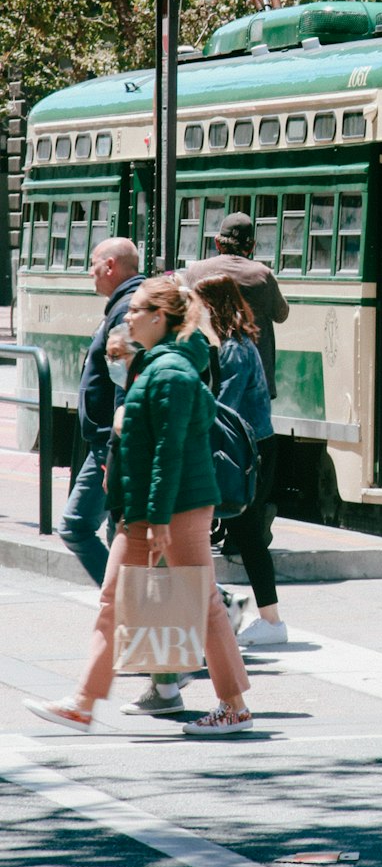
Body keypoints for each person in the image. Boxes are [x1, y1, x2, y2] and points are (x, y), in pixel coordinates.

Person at [25, 276, 253, 735]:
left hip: (173, 508)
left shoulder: (169, 371)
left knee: (200, 602)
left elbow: (169, 450)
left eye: (137, 310)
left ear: (159, 317)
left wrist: (159, 516)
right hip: (156, 509)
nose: (127, 315)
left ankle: (233, 707)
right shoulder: (159, 365)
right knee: (116, 599)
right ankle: (84, 703)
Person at [185, 212, 289, 554]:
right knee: (249, 452)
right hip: (255, 382)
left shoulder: (196, 271)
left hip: (208, 374)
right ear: (252, 246)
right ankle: (247, 519)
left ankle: (231, 520)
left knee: (218, 450)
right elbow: (281, 313)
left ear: (217, 242)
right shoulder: (261, 274)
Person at [193, 274, 287, 648]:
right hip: (259, 445)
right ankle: (263, 615)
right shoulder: (243, 341)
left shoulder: (233, 349)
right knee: (246, 536)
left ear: (212, 305)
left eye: (200, 305)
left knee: (244, 534)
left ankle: (262, 616)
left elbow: (224, 409)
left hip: (248, 450)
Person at [59, 238, 144, 585]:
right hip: (109, 441)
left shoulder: (125, 310)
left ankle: (124, 603)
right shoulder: (124, 305)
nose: (90, 272)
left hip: (111, 442)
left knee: (77, 525)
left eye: (93, 264)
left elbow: (124, 384)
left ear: (110, 266)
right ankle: (128, 607)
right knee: (121, 533)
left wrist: (114, 448)